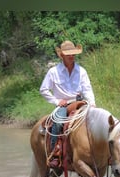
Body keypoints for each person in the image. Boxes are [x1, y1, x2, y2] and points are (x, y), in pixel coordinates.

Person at [39, 40, 96, 168]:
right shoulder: (53, 72)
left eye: (73, 54)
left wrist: (92, 103)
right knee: (58, 123)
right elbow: (43, 89)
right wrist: (57, 101)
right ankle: (55, 153)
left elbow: (87, 89)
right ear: (62, 55)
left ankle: (99, 153)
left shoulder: (81, 71)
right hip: (63, 106)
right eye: (68, 54)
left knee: (96, 121)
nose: (71, 56)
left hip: (80, 102)